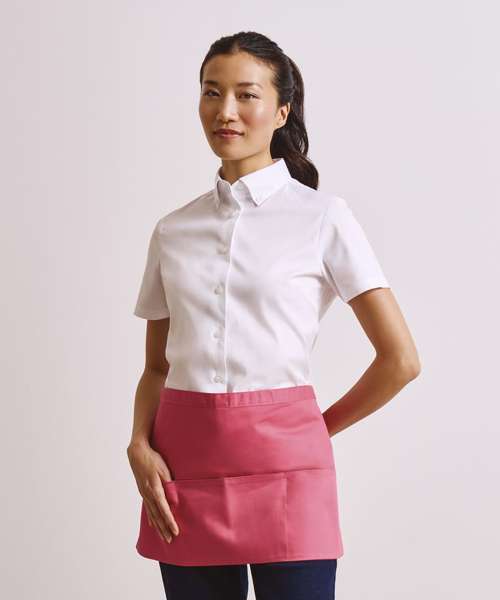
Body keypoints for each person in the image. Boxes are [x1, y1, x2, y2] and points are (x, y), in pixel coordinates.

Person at [126, 31, 421, 600]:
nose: (226, 111)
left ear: (282, 110)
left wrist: (314, 429)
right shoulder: (173, 230)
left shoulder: (323, 217)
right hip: (183, 469)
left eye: (246, 94)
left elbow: (400, 360)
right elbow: (158, 368)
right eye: (212, 92)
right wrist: (139, 441)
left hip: (290, 469)